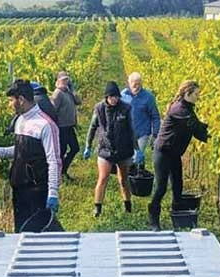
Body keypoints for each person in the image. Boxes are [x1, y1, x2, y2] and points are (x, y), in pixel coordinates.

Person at [0, 79, 61, 232]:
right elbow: (21, 150)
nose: (9, 105)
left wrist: (53, 193)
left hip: (36, 192)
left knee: (38, 238)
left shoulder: (46, 125)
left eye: (11, 100)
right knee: (21, 233)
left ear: (21, 100)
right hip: (19, 190)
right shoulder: (20, 121)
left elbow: (54, 161)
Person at [149, 79, 209, 232]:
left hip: (174, 153)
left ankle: (178, 217)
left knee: (177, 185)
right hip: (163, 152)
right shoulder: (179, 109)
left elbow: (197, 131)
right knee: (161, 187)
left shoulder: (187, 108)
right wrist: (212, 133)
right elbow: (196, 127)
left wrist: (212, 135)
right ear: (187, 93)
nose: (198, 97)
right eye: (196, 94)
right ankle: (153, 219)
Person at [82, 81, 136, 217]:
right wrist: (88, 145)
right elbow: (92, 128)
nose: (114, 99)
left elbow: (131, 130)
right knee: (103, 178)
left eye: (116, 97)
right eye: (112, 97)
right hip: (105, 149)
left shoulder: (126, 108)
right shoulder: (99, 109)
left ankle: (128, 205)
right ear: (106, 97)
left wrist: (137, 149)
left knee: (123, 179)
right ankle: (97, 208)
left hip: (123, 149)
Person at [121, 72, 158, 167]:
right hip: (127, 132)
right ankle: (136, 171)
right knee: (127, 157)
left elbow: (155, 116)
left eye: (139, 84)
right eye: (134, 84)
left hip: (142, 133)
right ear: (129, 83)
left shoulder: (148, 97)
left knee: (137, 157)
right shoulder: (123, 95)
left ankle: (139, 170)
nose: (137, 87)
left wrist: (155, 134)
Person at [51, 71, 81, 179]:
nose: (65, 82)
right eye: (63, 80)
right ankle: (59, 174)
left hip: (69, 126)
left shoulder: (68, 92)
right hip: (61, 127)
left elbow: (78, 101)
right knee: (62, 151)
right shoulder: (58, 93)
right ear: (58, 81)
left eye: (67, 80)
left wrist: (72, 90)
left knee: (75, 148)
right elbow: (53, 110)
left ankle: (62, 171)